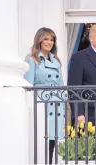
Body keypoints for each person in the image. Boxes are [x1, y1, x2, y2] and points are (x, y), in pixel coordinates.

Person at [24, 27, 68, 164]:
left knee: (54, 140)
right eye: (46, 39)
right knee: (43, 138)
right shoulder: (32, 59)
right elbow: (28, 84)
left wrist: (65, 101)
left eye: (52, 40)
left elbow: (61, 84)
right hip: (42, 103)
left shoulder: (56, 60)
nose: (49, 42)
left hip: (57, 104)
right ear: (39, 40)